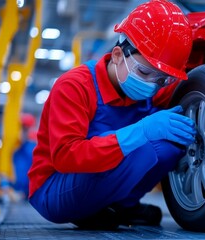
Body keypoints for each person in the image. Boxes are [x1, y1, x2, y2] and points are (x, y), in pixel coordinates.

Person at [28, 0, 195, 230]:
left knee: (169, 147)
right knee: (142, 148)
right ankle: (91, 209)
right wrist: (141, 130)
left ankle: (121, 206)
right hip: (54, 186)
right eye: (144, 72)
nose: (151, 85)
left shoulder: (150, 87)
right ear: (117, 54)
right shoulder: (74, 86)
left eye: (162, 80)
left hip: (96, 181)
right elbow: (66, 156)